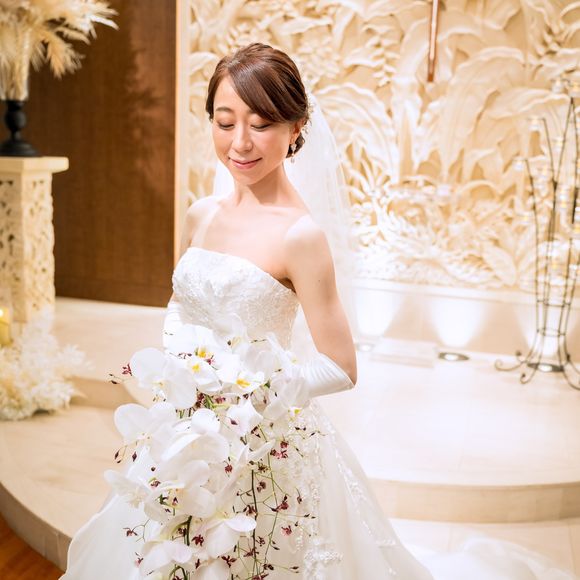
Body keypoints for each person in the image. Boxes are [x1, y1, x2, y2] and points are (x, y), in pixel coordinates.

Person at [62, 43, 578, 580]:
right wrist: (182, 377)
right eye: (225, 122)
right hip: (183, 432)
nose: (240, 142)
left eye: (261, 124)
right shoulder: (200, 215)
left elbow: (340, 366)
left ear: (296, 128)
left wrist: (245, 394)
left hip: (260, 443)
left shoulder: (301, 235)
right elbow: (180, 307)